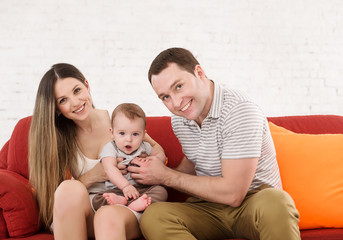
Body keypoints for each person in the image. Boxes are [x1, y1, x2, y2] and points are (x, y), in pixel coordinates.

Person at [129, 48, 301, 240]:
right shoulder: (180, 119)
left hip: (253, 204)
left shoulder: (239, 110)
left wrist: (166, 176)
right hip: (208, 207)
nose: (176, 103)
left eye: (178, 86)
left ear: (199, 73)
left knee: (277, 201)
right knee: (154, 216)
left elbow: (234, 193)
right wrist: (153, 172)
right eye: (165, 97)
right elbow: (193, 162)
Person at [28, 63, 165, 240]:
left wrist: (148, 164)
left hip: (127, 207)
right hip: (91, 207)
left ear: (87, 85)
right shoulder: (59, 138)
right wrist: (95, 175)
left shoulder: (116, 122)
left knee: (107, 216)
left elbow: (157, 148)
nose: (75, 102)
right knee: (69, 188)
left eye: (77, 91)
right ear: (56, 109)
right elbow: (54, 200)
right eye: (63, 100)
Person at [92, 103, 167, 212]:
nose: (129, 139)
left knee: (161, 191)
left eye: (135, 134)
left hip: (143, 189)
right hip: (117, 190)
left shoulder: (144, 147)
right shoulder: (111, 148)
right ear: (112, 133)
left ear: (143, 135)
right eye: (122, 133)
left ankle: (134, 203)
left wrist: (150, 160)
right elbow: (109, 168)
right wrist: (125, 187)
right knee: (98, 199)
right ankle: (122, 201)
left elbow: (161, 155)